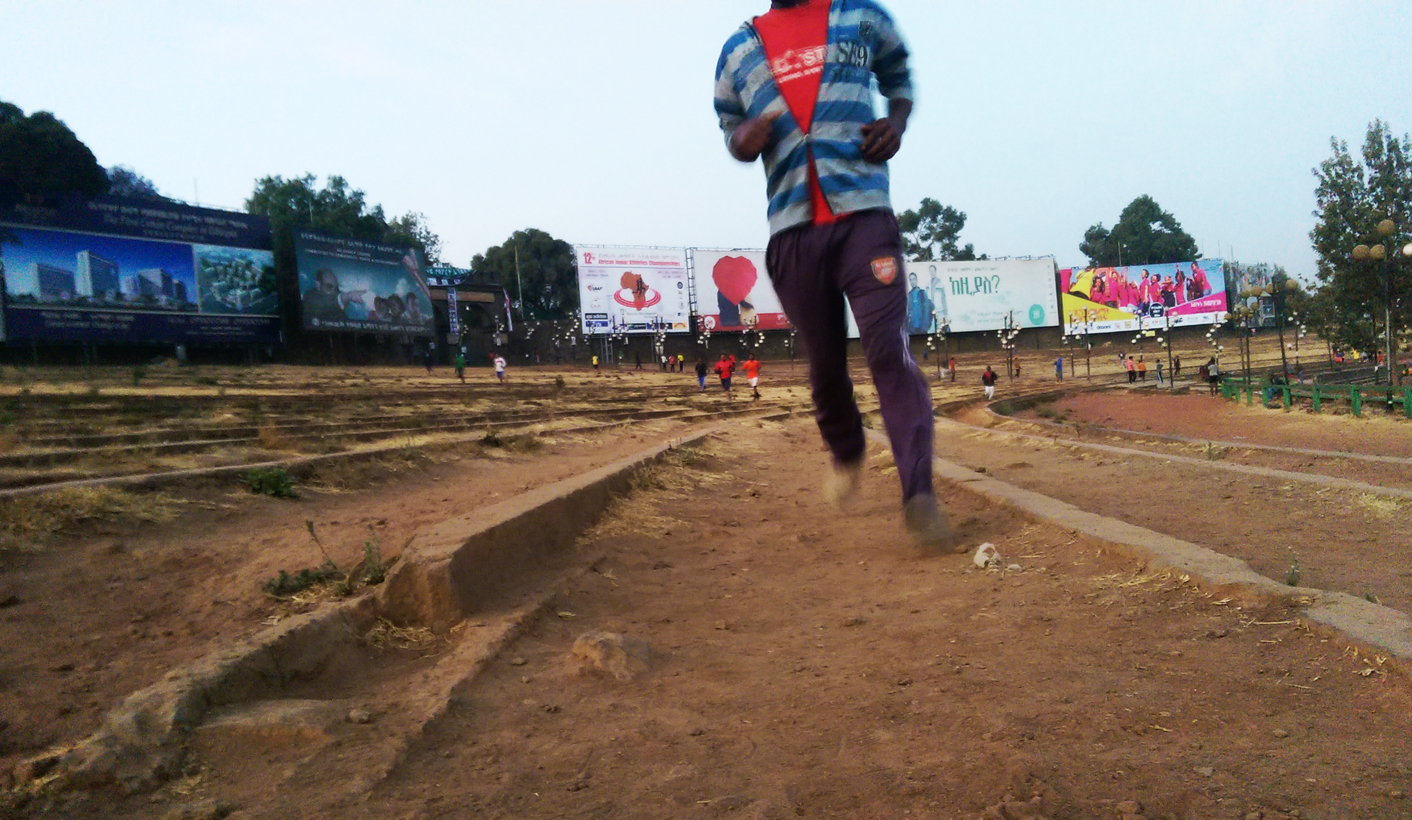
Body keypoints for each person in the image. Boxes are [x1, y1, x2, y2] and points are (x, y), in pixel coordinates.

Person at [716, 0, 948, 545]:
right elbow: (731, 130)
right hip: (793, 233)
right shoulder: (737, 51)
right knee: (824, 366)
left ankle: (919, 495)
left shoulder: (861, 17)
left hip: (865, 215)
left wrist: (896, 121)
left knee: (889, 351)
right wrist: (745, 139)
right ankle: (847, 449)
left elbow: (898, 74)